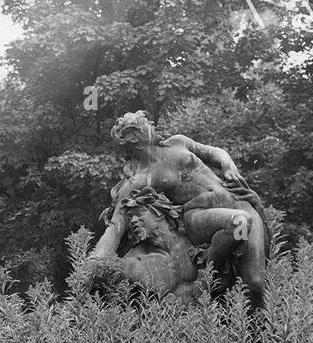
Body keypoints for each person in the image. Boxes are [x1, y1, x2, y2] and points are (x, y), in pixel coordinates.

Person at [93, 111, 270, 309]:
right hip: (199, 215)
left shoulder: (178, 142)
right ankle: (207, 275)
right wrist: (94, 265)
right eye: (147, 125)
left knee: (255, 283)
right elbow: (116, 225)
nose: (153, 127)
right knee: (240, 222)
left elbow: (215, 152)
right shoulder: (141, 178)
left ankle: (259, 337)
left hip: (239, 201)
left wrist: (228, 165)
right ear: (135, 136)